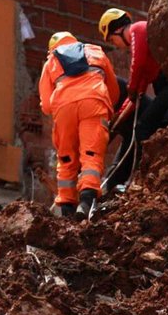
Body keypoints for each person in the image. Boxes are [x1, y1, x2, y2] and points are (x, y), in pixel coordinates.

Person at [98, 8, 168, 189]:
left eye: (112, 40)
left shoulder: (138, 29)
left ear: (118, 30)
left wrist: (131, 87)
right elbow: (137, 93)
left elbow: (136, 67)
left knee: (146, 128)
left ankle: (141, 179)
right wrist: (117, 119)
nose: (116, 45)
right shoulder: (148, 51)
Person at [38, 31, 120, 219]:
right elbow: (114, 91)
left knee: (66, 157)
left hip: (64, 108)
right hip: (94, 102)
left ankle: (67, 207)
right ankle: (86, 201)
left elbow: (47, 105)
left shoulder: (51, 61)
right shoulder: (96, 51)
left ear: (52, 49)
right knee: (91, 154)